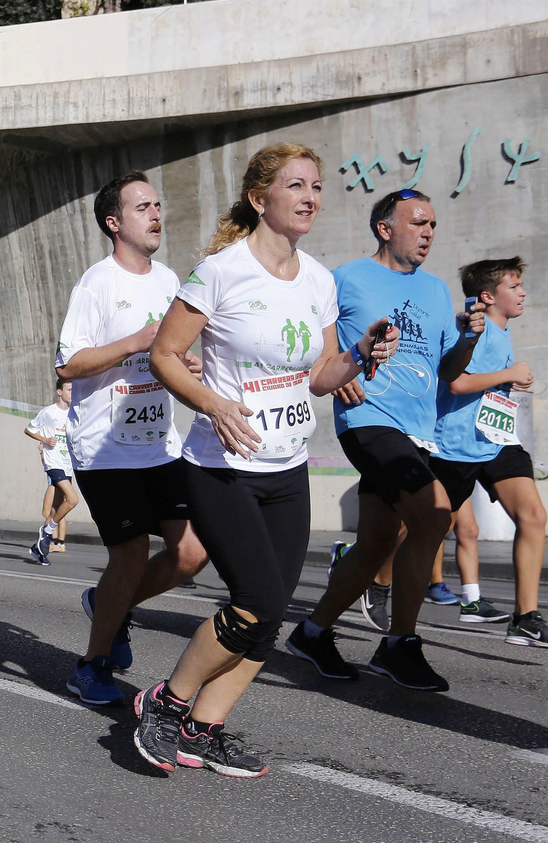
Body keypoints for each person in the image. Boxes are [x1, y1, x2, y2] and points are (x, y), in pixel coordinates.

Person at [133, 143, 398, 777]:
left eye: (316, 186)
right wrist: (213, 403)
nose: (311, 196)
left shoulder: (320, 280)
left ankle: (205, 727)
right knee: (253, 599)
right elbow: (166, 355)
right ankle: (164, 704)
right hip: (221, 465)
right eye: (295, 185)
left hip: (287, 467)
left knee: (272, 613)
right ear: (260, 199)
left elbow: (320, 375)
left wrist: (361, 354)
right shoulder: (220, 272)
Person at [285, 187, 485, 692]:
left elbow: (449, 371)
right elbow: (310, 341)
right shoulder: (345, 279)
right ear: (385, 228)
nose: (428, 233)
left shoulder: (438, 290)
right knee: (436, 514)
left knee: (377, 543)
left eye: (433, 225)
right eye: (418, 223)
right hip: (369, 420)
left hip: (419, 431)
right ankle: (399, 646)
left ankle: (312, 633)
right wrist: (334, 368)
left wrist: (468, 339)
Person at [52, 172, 209, 705]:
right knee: (131, 555)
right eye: (143, 207)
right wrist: (134, 343)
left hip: (159, 444)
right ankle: (91, 666)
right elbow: (70, 363)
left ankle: (106, 602)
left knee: (191, 552)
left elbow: (178, 356)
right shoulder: (96, 284)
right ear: (114, 222)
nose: (156, 214)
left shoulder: (169, 280)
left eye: (158, 204)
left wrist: (182, 360)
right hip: (105, 448)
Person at [427, 257, 548, 647]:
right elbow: (455, 383)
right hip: (455, 445)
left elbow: (484, 385)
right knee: (419, 531)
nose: (523, 292)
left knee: (533, 515)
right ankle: (367, 567)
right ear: (488, 296)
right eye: (514, 286)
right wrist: (508, 375)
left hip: (496, 441)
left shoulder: (503, 331)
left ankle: (526, 618)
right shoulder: (475, 330)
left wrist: (507, 386)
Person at [24, 378, 78, 565]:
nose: (72, 393)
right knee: (72, 500)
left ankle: (39, 548)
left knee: (55, 509)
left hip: (68, 463)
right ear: (59, 392)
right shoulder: (48, 412)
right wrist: (45, 440)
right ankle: (47, 532)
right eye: (69, 389)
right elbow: (28, 429)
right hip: (54, 462)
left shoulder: (75, 413)